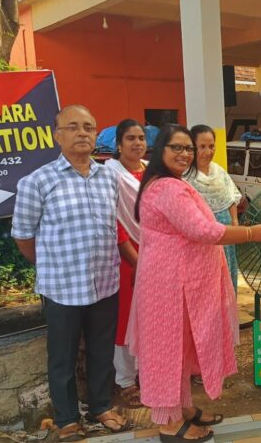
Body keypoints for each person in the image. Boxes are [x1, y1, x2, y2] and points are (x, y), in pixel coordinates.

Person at [128, 124, 261, 443]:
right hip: (171, 283)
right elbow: (205, 232)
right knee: (166, 351)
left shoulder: (165, 183)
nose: (185, 154)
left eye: (189, 149)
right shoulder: (169, 188)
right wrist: (254, 233)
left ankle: (180, 408)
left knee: (177, 349)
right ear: (160, 150)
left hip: (173, 280)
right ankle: (168, 424)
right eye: (177, 148)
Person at [11, 105, 128, 441]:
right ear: (56, 135)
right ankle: (66, 420)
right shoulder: (37, 181)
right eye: (73, 127)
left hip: (105, 282)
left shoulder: (109, 177)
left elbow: (114, 225)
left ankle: (101, 406)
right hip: (61, 287)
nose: (82, 133)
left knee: (101, 350)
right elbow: (23, 235)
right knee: (61, 357)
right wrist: (49, 265)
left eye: (89, 127)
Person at [103, 118, 148, 408]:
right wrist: (135, 259)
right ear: (119, 144)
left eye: (141, 137)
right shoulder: (110, 174)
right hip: (125, 257)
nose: (137, 143)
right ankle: (125, 380)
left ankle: (149, 372)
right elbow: (113, 219)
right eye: (130, 138)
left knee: (151, 316)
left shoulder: (152, 171)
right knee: (127, 318)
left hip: (156, 253)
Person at [184, 124, 242, 294]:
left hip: (227, 237)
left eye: (211, 146)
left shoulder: (219, 171)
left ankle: (228, 317)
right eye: (202, 146)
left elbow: (231, 198)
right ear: (193, 147)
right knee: (208, 284)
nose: (208, 151)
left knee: (228, 279)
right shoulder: (185, 176)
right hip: (203, 240)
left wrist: (235, 223)